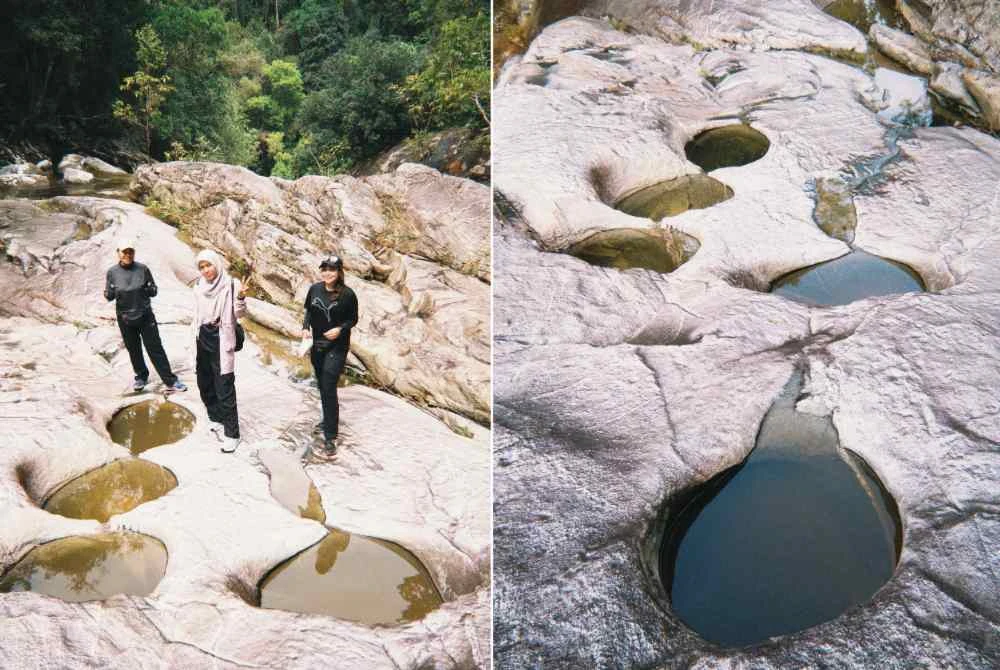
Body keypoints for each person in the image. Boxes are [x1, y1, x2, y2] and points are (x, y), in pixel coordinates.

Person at [104, 237, 187, 393]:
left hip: (145, 316)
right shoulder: (112, 272)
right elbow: (109, 295)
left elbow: (153, 290)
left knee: (155, 348)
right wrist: (109, 293)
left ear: (134, 253)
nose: (128, 254)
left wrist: (150, 289)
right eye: (124, 252)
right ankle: (141, 377)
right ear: (118, 253)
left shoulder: (142, 269)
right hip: (125, 317)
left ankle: (170, 380)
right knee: (133, 349)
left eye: (130, 252)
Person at [302, 254, 358, 456]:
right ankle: (327, 419)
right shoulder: (315, 289)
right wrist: (305, 328)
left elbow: (353, 319)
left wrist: (340, 329)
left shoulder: (348, 295)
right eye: (324, 269)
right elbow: (308, 310)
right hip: (317, 344)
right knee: (322, 385)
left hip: (337, 347)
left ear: (339, 272)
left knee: (328, 385)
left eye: (332, 269)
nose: (327, 273)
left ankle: (330, 436)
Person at [191, 250, 247, 453]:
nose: (206, 270)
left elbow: (239, 314)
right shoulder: (198, 286)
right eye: (202, 267)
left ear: (217, 264)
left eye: (209, 265)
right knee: (204, 382)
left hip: (222, 338)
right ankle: (216, 418)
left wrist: (241, 298)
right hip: (203, 337)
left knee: (224, 387)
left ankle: (232, 434)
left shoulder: (231, 284)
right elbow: (198, 313)